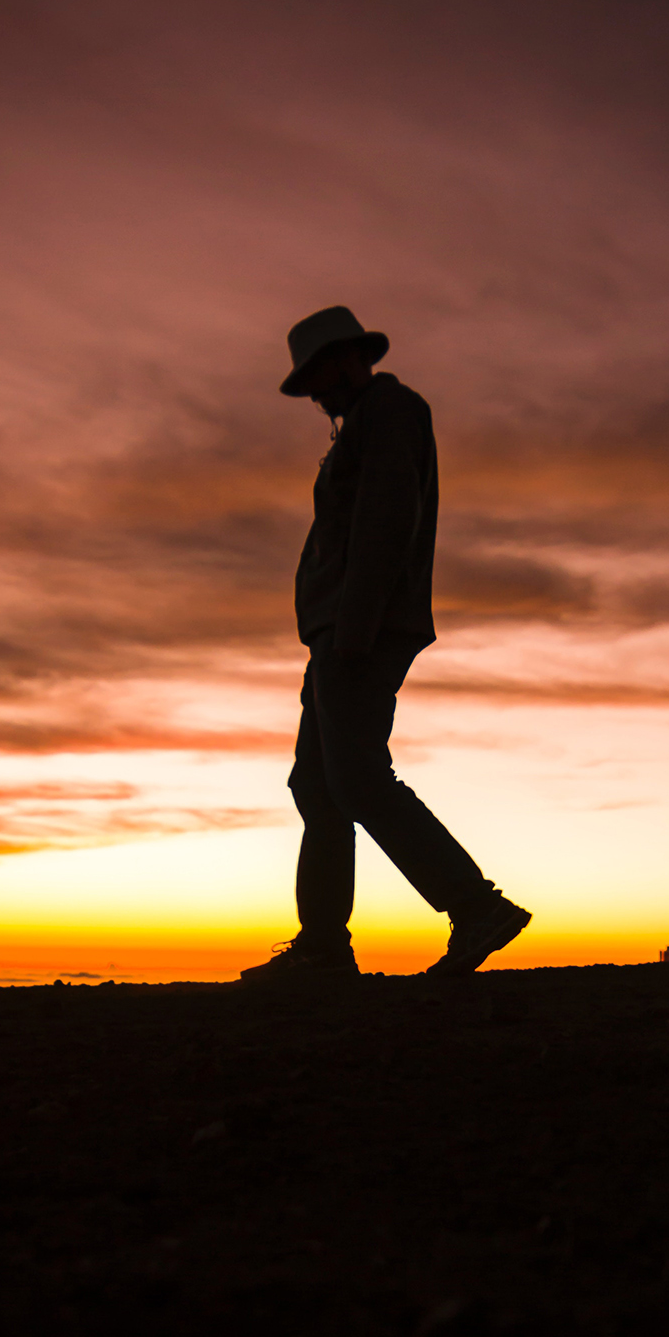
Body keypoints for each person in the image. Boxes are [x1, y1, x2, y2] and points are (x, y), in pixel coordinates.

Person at [241, 306, 531, 980]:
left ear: (345, 360)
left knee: (355, 778)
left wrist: (354, 626)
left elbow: (385, 518)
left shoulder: (390, 411)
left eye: (315, 378)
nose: (313, 396)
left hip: (358, 630)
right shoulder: (365, 424)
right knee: (317, 785)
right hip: (340, 629)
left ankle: (475, 906)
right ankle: (322, 945)